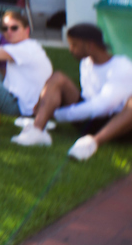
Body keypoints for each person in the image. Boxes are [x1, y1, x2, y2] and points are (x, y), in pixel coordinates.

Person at [11, 23, 132, 152]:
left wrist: (59, 115)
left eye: (74, 45)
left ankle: (93, 143)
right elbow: (87, 97)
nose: (70, 49)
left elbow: (101, 106)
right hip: (90, 121)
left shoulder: (122, 67)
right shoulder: (86, 62)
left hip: (119, 126)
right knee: (58, 77)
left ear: (90, 46)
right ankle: (37, 130)